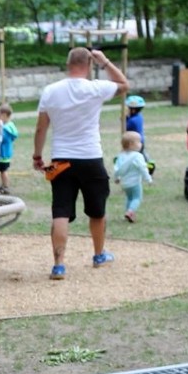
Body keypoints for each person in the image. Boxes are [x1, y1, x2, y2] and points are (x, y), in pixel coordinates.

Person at [33, 46, 128, 280]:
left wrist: (37, 155)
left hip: (61, 159)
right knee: (97, 211)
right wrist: (105, 61)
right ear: (90, 65)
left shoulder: (50, 91)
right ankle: (98, 255)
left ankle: (59, 265)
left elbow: (41, 127)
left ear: (67, 64)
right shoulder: (96, 88)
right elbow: (124, 84)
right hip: (91, 157)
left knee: (61, 211)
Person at [113, 130, 153, 223]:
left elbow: (116, 168)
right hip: (135, 183)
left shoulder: (121, 156)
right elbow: (143, 168)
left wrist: (116, 178)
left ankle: (128, 212)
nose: (141, 144)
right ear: (131, 144)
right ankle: (130, 212)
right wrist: (148, 179)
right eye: (139, 142)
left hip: (125, 183)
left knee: (129, 198)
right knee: (137, 198)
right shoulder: (137, 156)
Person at [0, 103, 18, 193]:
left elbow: (1, 139)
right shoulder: (11, 126)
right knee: (3, 170)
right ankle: (3, 184)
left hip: (3, 153)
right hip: (7, 153)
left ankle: (5, 186)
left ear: (5, 115)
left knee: (2, 171)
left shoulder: (5, 129)